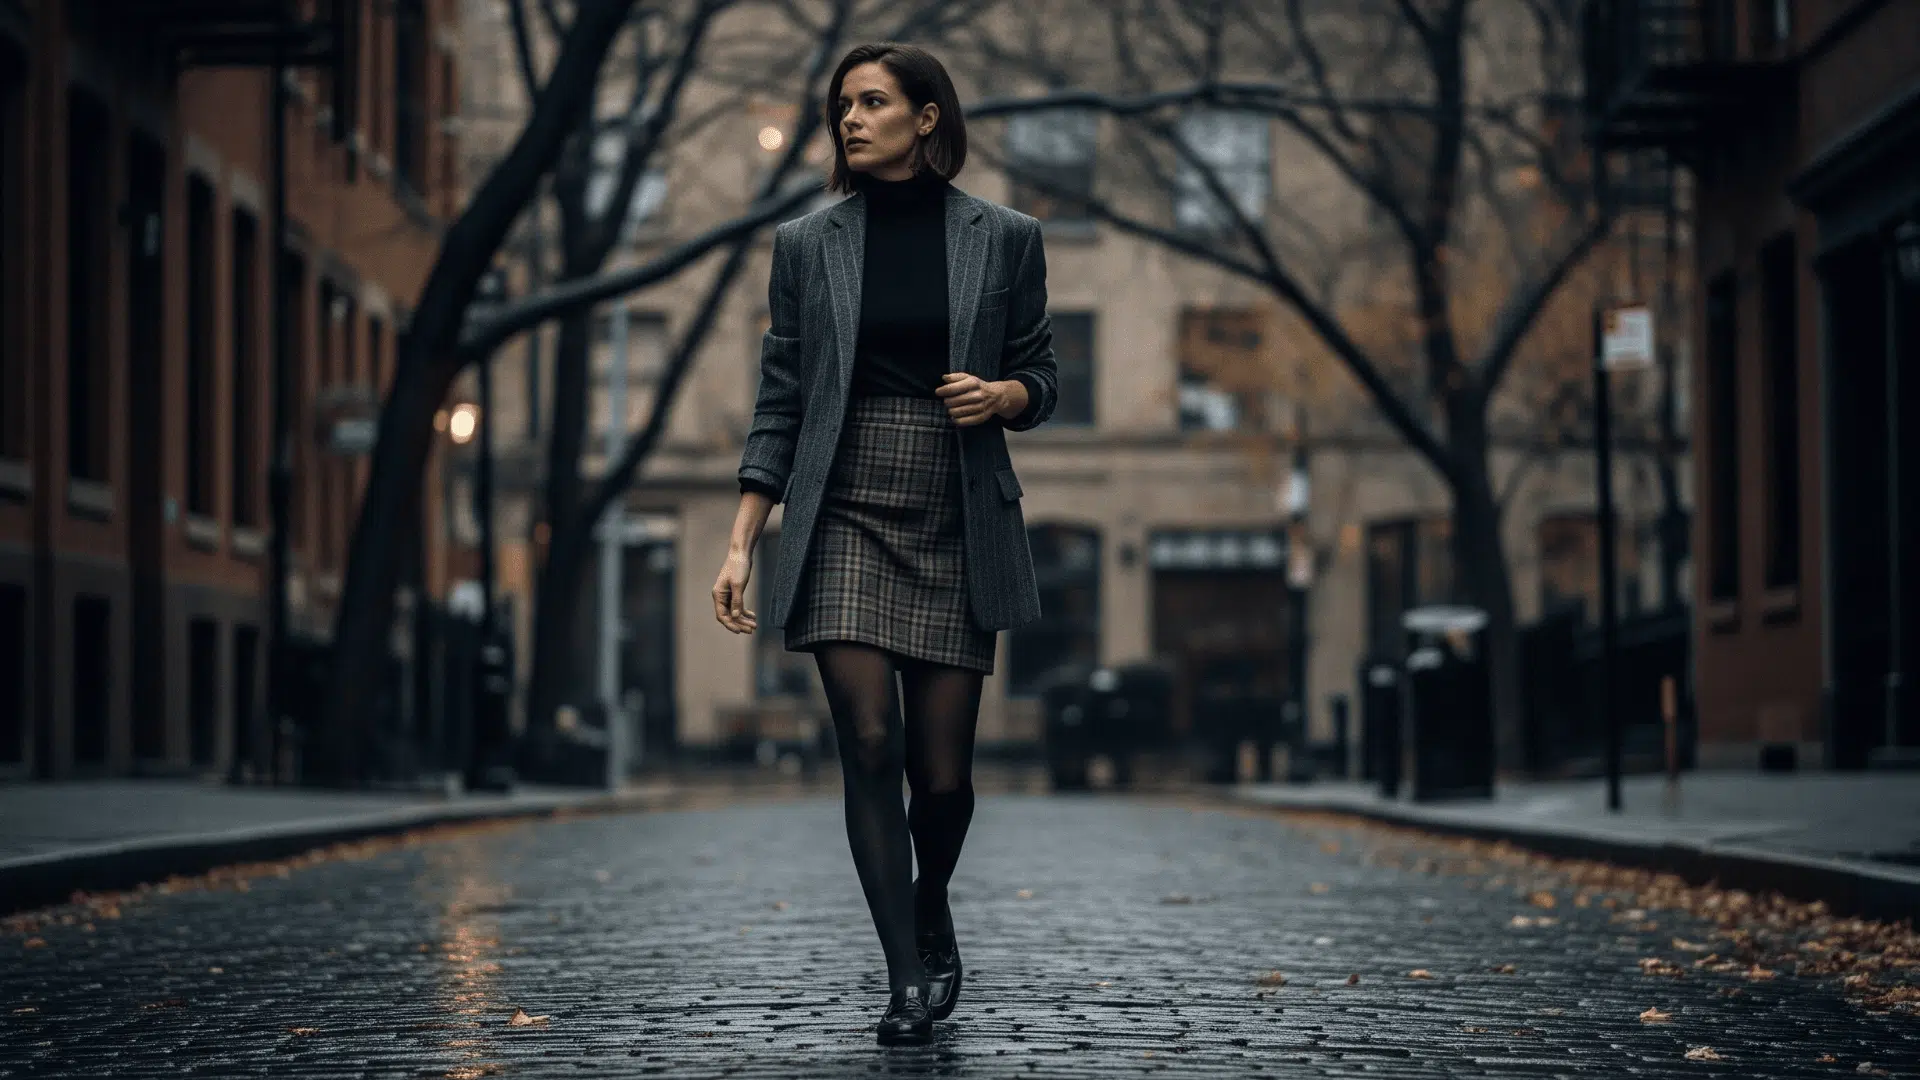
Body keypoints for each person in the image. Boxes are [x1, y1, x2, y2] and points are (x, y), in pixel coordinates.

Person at [711, 41, 1058, 1046]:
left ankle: (930, 897)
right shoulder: (806, 244)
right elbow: (781, 399)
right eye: (842, 107)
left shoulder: (1006, 238)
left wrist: (1003, 395)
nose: (850, 121)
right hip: (843, 505)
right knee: (869, 741)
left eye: (871, 102)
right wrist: (742, 542)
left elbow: (1043, 374)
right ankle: (906, 977)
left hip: (955, 505)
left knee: (941, 781)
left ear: (926, 117)